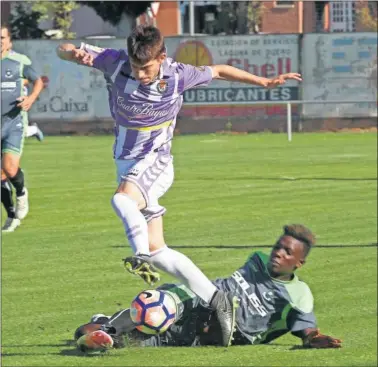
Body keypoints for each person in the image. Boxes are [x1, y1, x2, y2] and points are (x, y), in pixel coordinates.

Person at [56, 25, 301, 347]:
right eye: (135, 67)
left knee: (122, 201)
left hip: (156, 161)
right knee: (160, 251)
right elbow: (66, 50)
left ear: (162, 57)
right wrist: (71, 53)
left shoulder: (178, 74)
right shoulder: (113, 61)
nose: (140, 74)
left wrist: (263, 81)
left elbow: (219, 70)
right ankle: (217, 299)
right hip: (127, 163)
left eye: (146, 67)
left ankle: (138, 255)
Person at [75, 224, 342, 351]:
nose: (278, 253)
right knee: (162, 302)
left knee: (122, 342)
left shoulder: (299, 295)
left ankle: (104, 332)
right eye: (277, 247)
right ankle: (110, 325)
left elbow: (307, 329)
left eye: (287, 252)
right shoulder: (257, 260)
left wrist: (312, 338)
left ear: (300, 263)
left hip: (211, 334)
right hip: (199, 300)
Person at [1, 23, 44, 232]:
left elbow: (37, 82)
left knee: (9, 169)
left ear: (9, 41)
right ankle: (11, 216)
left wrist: (30, 99)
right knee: (0, 177)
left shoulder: (19, 62)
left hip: (14, 123)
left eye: (2, 38)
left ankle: (21, 193)